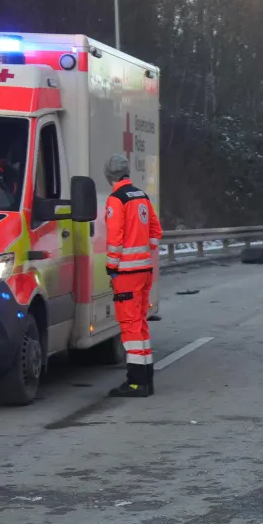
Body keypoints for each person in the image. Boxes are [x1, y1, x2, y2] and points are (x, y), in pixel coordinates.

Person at [104, 153, 163, 397]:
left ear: (109, 175)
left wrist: (112, 266)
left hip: (127, 273)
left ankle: (136, 382)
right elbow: (156, 231)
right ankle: (146, 378)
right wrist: (144, 251)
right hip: (144, 270)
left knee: (130, 325)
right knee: (140, 323)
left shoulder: (116, 199)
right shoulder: (142, 196)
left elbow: (115, 238)